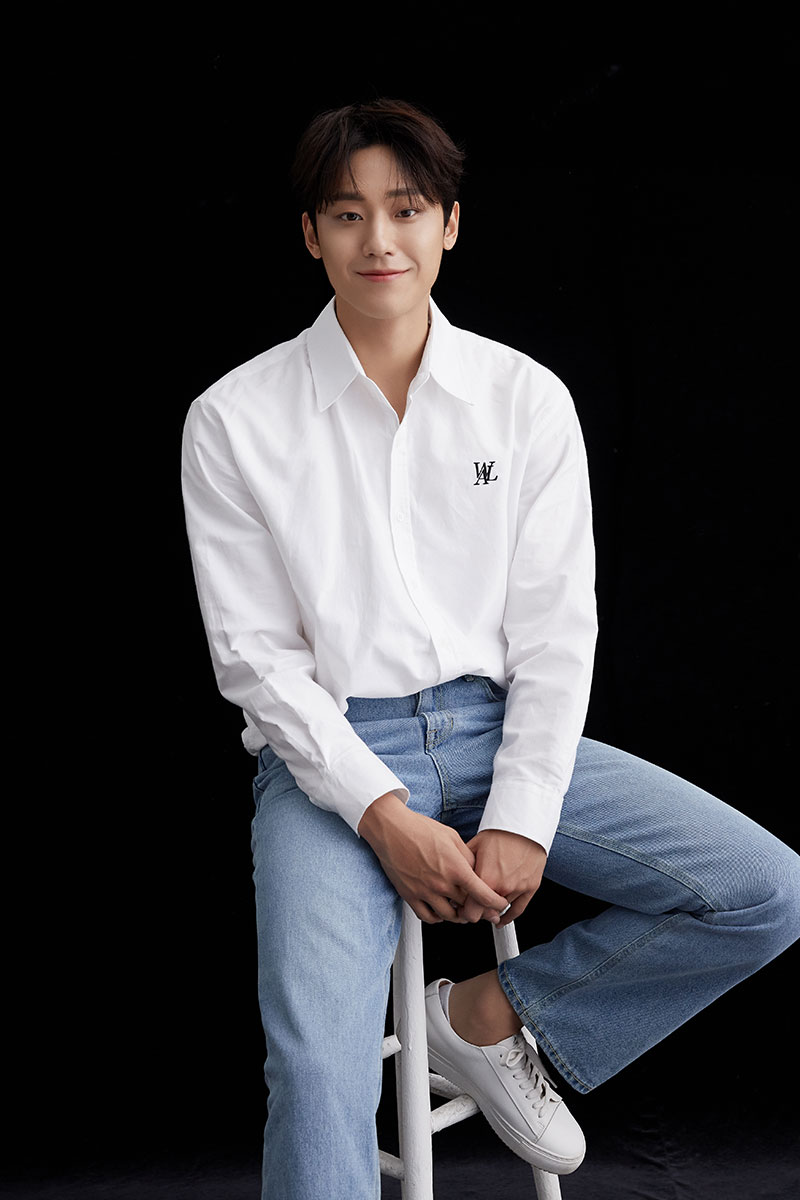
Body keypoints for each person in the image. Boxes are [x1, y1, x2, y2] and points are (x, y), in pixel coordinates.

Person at [181, 98, 800, 1198]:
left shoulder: (523, 400)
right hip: (326, 762)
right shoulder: (234, 419)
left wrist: (520, 813)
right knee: (317, 1070)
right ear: (311, 235)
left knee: (764, 889)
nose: (379, 239)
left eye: (406, 210)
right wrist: (382, 814)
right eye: (347, 214)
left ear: (449, 224)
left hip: (491, 727)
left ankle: (482, 1016)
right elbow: (257, 664)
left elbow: (556, 630)